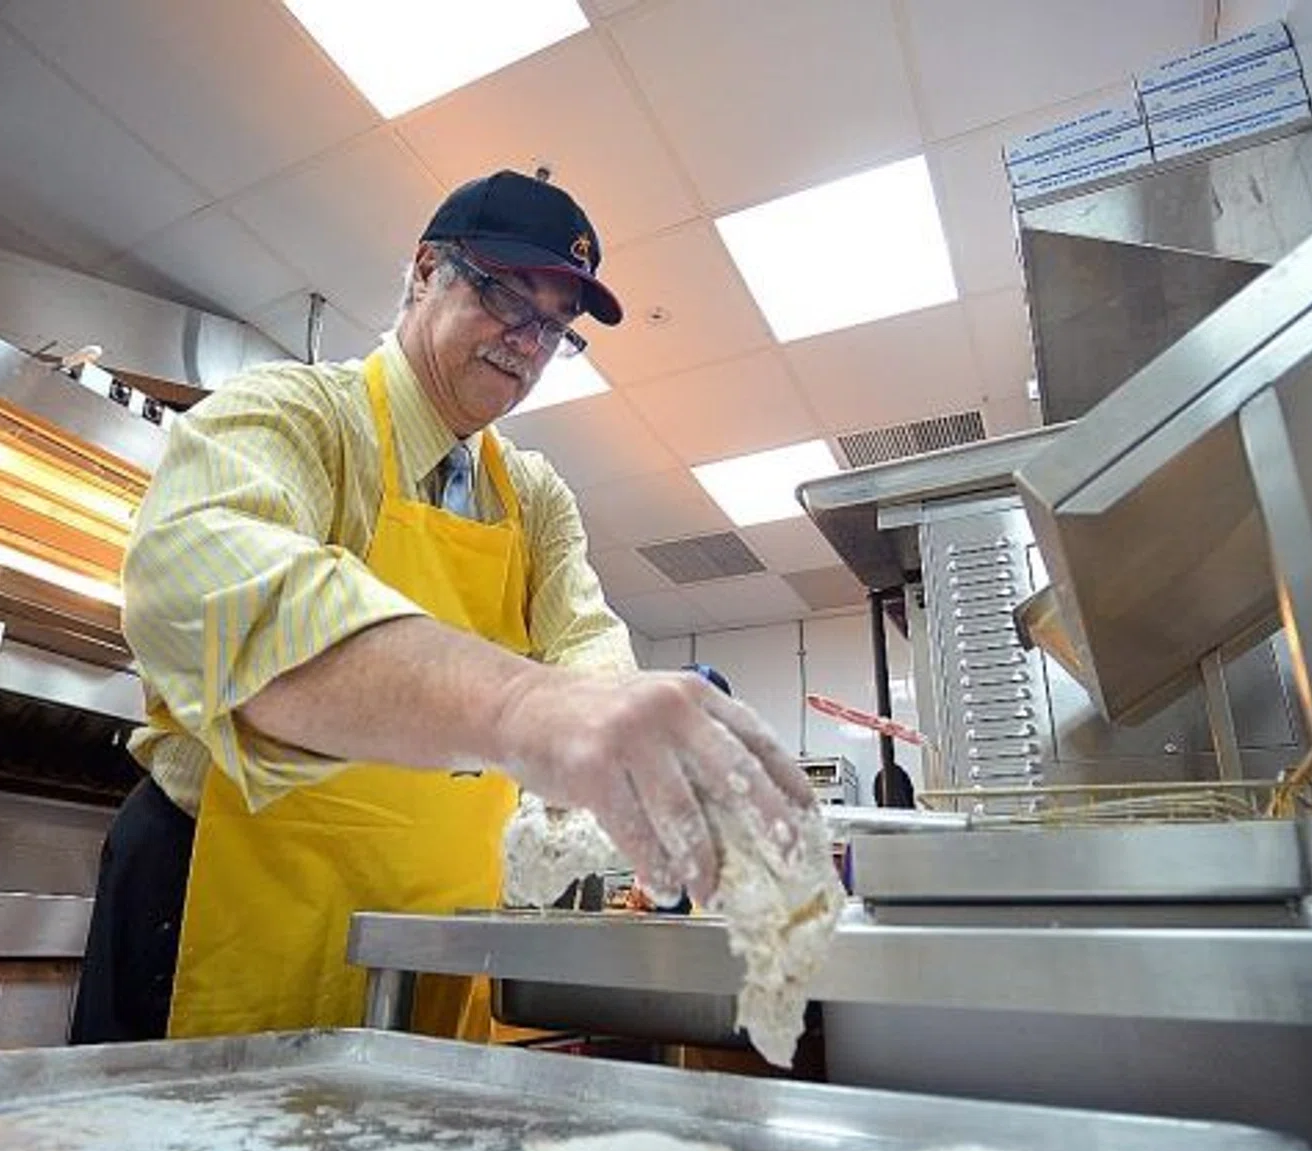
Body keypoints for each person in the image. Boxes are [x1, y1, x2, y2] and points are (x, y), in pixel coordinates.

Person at [71, 170, 814, 1046]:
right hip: (225, 903)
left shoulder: (531, 497)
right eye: (508, 297)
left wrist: (634, 744)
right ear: (427, 270)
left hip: (437, 939)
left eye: (555, 329)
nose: (527, 343)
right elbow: (229, 605)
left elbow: (586, 649)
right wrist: (523, 707)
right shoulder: (294, 417)